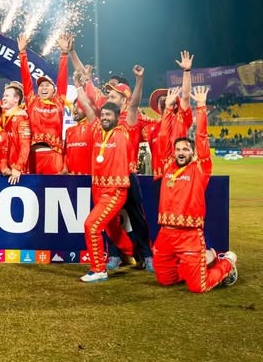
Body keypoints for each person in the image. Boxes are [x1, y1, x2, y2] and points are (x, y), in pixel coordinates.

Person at [154, 85, 238, 292]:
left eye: (186, 149)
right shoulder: (167, 165)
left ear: (192, 153)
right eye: (178, 149)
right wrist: (168, 109)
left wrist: (201, 107)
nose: (181, 152)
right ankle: (204, 260)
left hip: (189, 236)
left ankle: (227, 262)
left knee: (198, 287)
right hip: (165, 235)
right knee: (165, 280)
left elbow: (201, 137)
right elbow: (163, 138)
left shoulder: (200, 168)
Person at [75, 92, 135, 283]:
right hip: (98, 188)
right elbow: (86, 106)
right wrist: (78, 85)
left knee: (91, 226)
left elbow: (132, 108)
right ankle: (134, 252)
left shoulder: (123, 132)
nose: (105, 118)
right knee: (112, 229)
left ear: (118, 117)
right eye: (103, 115)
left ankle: (99, 269)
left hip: (114, 190)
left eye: (109, 115)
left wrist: (139, 80)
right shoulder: (96, 131)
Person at [18, 33, 70, 174]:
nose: (44, 88)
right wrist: (22, 53)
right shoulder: (32, 101)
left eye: (47, 85)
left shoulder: (59, 101)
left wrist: (64, 54)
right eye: (41, 86)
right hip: (34, 156)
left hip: (54, 155)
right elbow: (26, 79)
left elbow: (62, 79)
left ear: (54, 90)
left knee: (54, 187)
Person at [144, 51, 194, 183]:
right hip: (158, 177)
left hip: (179, 174)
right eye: (160, 99)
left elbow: (185, 97)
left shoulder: (181, 119)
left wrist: (186, 71)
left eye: (166, 98)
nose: (163, 100)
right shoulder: (150, 128)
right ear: (157, 106)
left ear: (175, 103)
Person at [0, 81, 30, 184]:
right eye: (3, 96)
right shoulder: (1, 117)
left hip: (16, 172)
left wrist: (18, 167)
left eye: (7, 96)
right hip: (1, 169)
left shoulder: (22, 118)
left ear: (16, 99)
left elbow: (25, 145)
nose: (3, 98)